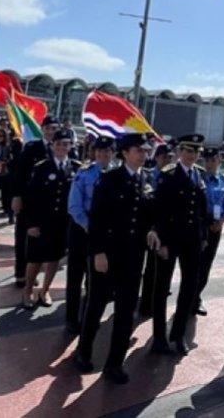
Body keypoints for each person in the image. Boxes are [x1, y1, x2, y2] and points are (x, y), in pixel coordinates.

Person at [74, 133, 154, 383]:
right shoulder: (109, 179)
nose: (143, 154)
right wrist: (97, 252)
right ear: (125, 153)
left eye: (145, 150)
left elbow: (146, 215)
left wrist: (153, 230)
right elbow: (96, 218)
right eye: (138, 150)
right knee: (96, 305)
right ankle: (83, 352)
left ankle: (114, 363)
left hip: (133, 255)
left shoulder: (146, 179)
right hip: (107, 254)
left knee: (126, 310)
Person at [148, 134, 209, 355]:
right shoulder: (169, 174)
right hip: (170, 239)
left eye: (195, 152)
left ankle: (178, 333)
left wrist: (203, 237)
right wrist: (161, 240)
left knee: (190, 285)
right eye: (188, 151)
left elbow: (202, 210)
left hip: (191, 240)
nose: (192, 155)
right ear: (180, 152)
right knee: (161, 287)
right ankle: (158, 337)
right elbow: (159, 208)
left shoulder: (199, 175)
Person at [22, 129, 80, 308]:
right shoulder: (41, 167)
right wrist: (31, 223)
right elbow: (31, 197)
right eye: (58, 144)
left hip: (62, 222)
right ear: (52, 146)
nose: (62, 147)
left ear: (71, 146)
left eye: (65, 144)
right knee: (35, 258)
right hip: (41, 220)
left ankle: (45, 290)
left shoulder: (76, 167)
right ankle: (28, 290)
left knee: (55, 257)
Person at [65, 136, 114, 334]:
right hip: (82, 229)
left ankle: (88, 316)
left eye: (107, 151)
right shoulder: (83, 173)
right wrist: (87, 225)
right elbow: (74, 205)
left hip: (103, 234)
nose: (104, 155)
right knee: (75, 277)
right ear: (95, 153)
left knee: (96, 278)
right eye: (100, 151)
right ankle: (71, 318)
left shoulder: (115, 175)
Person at [11, 115, 59, 288]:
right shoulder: (32, 147)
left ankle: (35, 274)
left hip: (50, 202)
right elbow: (19, 174)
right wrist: (16, 196)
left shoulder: (63, 147)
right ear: (42, 129)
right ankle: (20, 274)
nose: (51, 132)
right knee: (23, 236)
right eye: (48, 128)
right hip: (28, 199)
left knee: (43, 240)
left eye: (54, 128)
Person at [193, 147, 224, 317]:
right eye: (207, 160)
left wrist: (222, 219)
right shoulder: (198, 178)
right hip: (201, 223)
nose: (209, 164)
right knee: (195, 263)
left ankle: (197, 297)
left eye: (213, 160)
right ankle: (190, 297)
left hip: (217, 224)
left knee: (207, 263)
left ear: (219, 161)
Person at [138, 141, 175, 318]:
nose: (167, 160)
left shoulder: (173, 177)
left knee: (155, 269)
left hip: (160, 228)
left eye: (170, 157)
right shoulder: (147, 175)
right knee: (138, 267)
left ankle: (149, 304)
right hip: (143, 227)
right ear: (156, 158)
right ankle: (141, 302)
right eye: (163, 157)